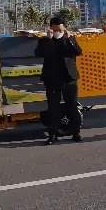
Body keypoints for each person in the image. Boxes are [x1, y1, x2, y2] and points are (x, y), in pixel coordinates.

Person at [35, 16, 83, 144]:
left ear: (64, 28)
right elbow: (38, 53)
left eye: (59, 30)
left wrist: (70, 39)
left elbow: (79, 52)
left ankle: (76, 132)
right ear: (51, 29)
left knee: (72, 106)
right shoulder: (45, 40)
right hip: (52, 79)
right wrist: (48, 39)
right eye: (55, 30)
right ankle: (52, 135)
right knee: (53, 108)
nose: (57, 32)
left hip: (69, 78)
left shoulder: (69, 39)